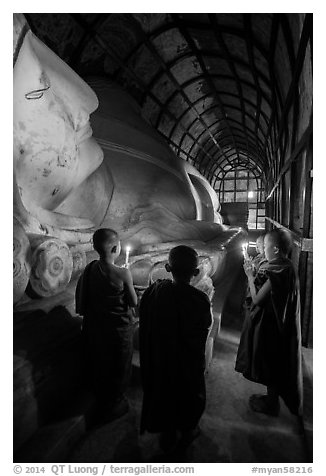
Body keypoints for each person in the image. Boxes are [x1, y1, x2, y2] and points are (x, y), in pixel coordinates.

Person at [138, 245, 212, 453]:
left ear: (168, 268)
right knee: (189, 394)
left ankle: (167, 430)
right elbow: (203, 329)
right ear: (196, 272)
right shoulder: (199, 299)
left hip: (162, 360)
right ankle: (188, 430)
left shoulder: (155, 292)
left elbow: (145, 318)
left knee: (165, 392)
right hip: (187, 363)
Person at [235, 229, 303, 417]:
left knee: (269, 363)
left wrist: (249, 276)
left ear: (274, 249)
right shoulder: (286, 266)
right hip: (279, 323)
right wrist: (256, 271)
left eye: (264, 247)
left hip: (270, 326)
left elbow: (257, 299)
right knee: (272, 362)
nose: (262, 251)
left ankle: (271, 404)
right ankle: (270, 399)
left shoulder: (276, 271)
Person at [76, 228, 138, 422]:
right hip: (117, 331)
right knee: (118, 366)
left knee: (100, 363)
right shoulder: (123, 273)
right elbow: (133, 302)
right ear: (115, 248)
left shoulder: (90, 268)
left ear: (94, 247)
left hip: (96, 327)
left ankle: (101, 397)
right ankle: (114, 403)